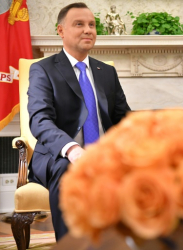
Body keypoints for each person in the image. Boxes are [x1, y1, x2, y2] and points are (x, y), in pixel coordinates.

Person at [27, 2, 130, 241]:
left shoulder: (106, 72)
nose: (88, 30)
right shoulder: (43, 69)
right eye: (79, 24)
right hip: (58, 155)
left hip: (104, 153)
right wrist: (72, 149)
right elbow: (40, 120)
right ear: (61, 31)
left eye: (92, 25)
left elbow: (123, 118)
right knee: (67, 169)